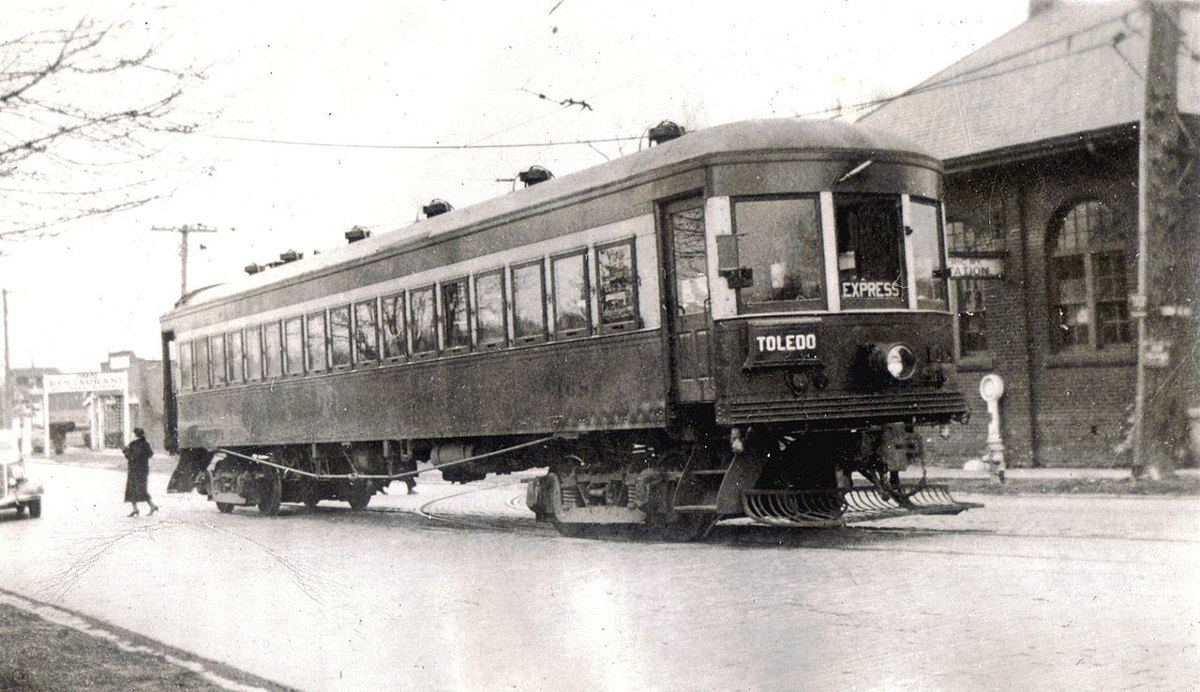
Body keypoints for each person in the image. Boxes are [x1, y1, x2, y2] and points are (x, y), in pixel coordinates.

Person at [122, 427, 158, 517]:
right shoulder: (144, 443)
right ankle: (135, 509)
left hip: (137, 470)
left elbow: (133, 457)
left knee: (139, 489)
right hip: (141, 469)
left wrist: (126, 449)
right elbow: (150, 454)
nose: (131, 435)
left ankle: (151, 506)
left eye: (132, 434)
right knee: (133, 488)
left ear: (135, 435)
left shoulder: (136, 444)